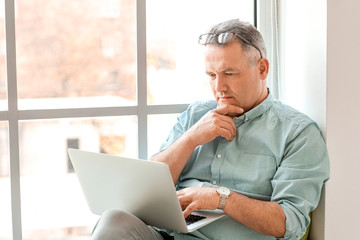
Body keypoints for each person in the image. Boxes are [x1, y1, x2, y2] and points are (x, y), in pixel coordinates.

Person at [91, 19, 330, 240]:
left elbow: (290, 223)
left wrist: (220, 198)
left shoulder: (298, 133)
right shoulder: (196, 115)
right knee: (114, 219)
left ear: (262, 69)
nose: (219, 87)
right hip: (168, 235)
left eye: (229, 73)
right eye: (211, 75)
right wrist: (190, 138)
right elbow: (144, 190)